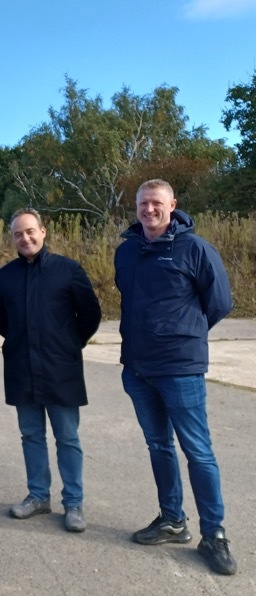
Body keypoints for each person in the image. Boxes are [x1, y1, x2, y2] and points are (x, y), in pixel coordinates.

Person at [115, 179, 237, 575]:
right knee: (158, 446)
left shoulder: (195, 249)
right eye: (142, 204)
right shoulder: (126, 252)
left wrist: (183, 336)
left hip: (180, 369)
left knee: (198, 451)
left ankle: (214, 535)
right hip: (137, 368)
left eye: (156, 203)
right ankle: (172, 520)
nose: (149, 210)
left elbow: (218, 303)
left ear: (172, 204)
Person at [0, 208, 101, 532]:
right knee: (31, 435)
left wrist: (68, 344)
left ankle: (74, 504)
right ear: (12, 238)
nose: (24, 238)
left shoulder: (68, 271)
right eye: (17, 234)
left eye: (29, 231)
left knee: (67, 437)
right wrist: (21, 340)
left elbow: (90, 314)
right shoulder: (5, 276)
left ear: (43, 231)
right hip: (22, 367)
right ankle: (38, 496)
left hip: (60, 368)